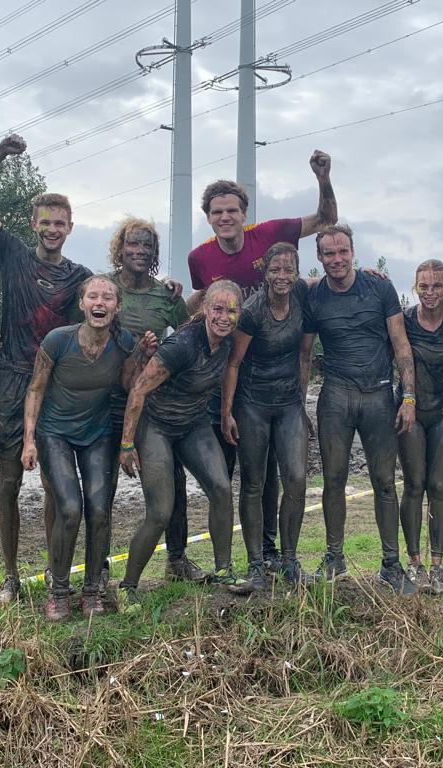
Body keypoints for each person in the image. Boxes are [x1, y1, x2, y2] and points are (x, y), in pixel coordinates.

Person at [0, 134, 96, 607]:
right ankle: (11, 577)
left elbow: (113, 298)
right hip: (14, 382)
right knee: (9, 481)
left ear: (70, 227)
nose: (52, 228)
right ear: (33, 223)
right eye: (45, 221)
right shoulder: (12, 255)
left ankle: (56, 573)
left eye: (60, 222)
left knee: (57, 487)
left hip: (59, 389)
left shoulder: (80, 278)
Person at [185, 152, 337, 575]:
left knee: (281, 476)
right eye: (217, 212)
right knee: (238, 475)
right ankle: (233, 560)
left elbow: (326, 219)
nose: (225, 217)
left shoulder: (270, 235)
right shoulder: (200, 259)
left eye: (232, 209)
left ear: (245, 213)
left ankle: (276, 556)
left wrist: (323, 178)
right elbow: (203, 310)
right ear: (209, 218)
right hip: (231, 378)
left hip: (280, 383)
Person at [20, 275, 152, 621]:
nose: (100, 302)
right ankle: (59, 590)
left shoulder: (123, 341)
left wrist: (139, 355)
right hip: (55, 434)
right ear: (82, 304)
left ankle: (93, 588)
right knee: (68, 507)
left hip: (96, 433)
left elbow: (126, 384)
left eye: (107, 297)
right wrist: (29, 439)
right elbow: (35, 389)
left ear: (116, 307)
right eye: (93, 296)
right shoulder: (58, 341)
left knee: (99, 508)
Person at [300, 224, 417, 594]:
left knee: (384, 481)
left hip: (378, 395)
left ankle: (391, 564)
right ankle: (334, 558)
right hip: (335, 395)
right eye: (329, 254)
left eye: (343, 252)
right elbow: (304, 355)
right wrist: (300, 406)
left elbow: (401, 345)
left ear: (353, 252)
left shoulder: (379, 287)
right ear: (319, 258)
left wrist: (409, 397)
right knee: (333, 480)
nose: (337, 259)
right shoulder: (314, 295)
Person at [118, 281, 252, 597]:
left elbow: (227, 373)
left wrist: (225, 414)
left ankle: (223, 571)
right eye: (217, 309)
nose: (224, 318)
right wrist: (126, 444)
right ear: (205, 308)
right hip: (157, 426)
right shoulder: (181, 346)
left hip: (192, 424)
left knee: (221, 487)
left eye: (231, 311)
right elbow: (138, 389)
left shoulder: (230, 341)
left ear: (239, 314)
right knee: (161, 510)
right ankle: (128, 587)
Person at [108, 218, 209, 584]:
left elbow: (188, 338)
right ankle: (99, 570)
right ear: (120, 249)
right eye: (132, 245)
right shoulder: (103, 288)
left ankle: (177, 559)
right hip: (103, 398)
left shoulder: (165, 296)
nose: (139, 251)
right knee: (103, 485)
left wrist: (197, 297)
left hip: (150, 403)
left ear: (154, 254)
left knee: (173, 482)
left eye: (147, 246)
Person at [221, 243, 311, 589]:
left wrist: (301, 406)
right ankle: (256, 564)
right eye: (275, 270)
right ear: (265, 273)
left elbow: (305, 357)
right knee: (254, 483)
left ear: (297, 272)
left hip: (288, 403)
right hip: (253, 403)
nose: (282, 277)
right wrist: (227, 411)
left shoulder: (303, 298)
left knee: (297, 479)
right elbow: (233, 363)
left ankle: (288, 559)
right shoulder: (252, 310)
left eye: (288, 270)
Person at [394, 260, 443, 594]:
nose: (430, 292)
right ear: (415, 287)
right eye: (424, 286)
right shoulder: (403, 320)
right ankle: (414, 562)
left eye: (437, 286)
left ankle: (437, 565)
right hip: (412, 412)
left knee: (438, 486)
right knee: (414, 485)